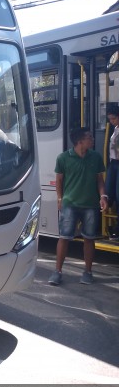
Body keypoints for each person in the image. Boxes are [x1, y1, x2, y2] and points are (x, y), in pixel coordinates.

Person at [49, 127, 107, 286]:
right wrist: (60, 198)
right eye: (89, 137)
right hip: (70, 204)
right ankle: (57, 272)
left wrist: (103, 196)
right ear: (80, 141)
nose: (92, 139)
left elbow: (100, 180)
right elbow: (59, 180)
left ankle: (88, 272)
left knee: (89, 239)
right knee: (64, 238)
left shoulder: (95, 157)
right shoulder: (63, 158)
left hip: (91, 204)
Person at [104, 104, 119, 239]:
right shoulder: (115, 129)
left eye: (113, 119)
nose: (111, 122)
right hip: (113, 163)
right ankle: (107, 223)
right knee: (108, 193)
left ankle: (117, 229)